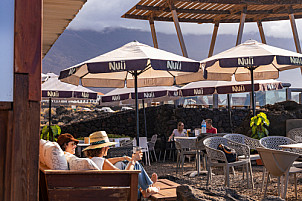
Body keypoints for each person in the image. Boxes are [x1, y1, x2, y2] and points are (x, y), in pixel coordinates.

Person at [82, 131, 159, 198]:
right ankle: (147, 188)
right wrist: (133, 160)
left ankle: (146, 186)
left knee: (120, 163)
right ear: (103, 148)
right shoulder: (103, 162)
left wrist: (123, 158)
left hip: (99, 193)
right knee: (135, 165)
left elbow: (106, 161)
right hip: (116, 195)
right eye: (108, 146)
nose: (108, 148)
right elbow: (125, 176)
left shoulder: (90, 161)